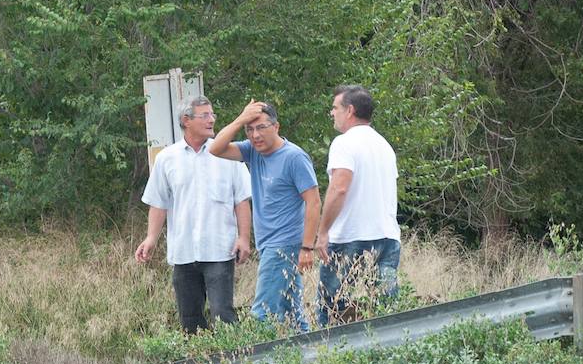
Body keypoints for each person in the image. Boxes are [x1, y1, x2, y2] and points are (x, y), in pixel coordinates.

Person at [136, 96, 252, 334]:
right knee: (189, 319)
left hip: (220, 249)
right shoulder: (167, 158)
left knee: (223, 314)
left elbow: (241, 199)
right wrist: (151, 238)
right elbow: (158, 202)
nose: (212, 120)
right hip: (184, 252)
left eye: (212, 114)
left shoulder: (227, 154)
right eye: (205, 115)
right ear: (186, 120)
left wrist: (244, 237)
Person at [209, 100, 320, 331]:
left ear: (276, 127)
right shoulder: (252, 152)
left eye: (261, 128)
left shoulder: (294, 157)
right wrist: (241, 118)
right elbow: (215, 148)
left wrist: (307, 248)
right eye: (249, 130)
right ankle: (311, 358)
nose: (255, 135)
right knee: (292, 311)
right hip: (267, 244)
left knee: (262, 314)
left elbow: (314, 202)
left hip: (284, 245)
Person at [312, 85, 401, 327]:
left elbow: (340, 187)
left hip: (351, 236)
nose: (332, 113)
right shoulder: (384, 146)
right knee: (387, 310)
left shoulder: (344, 143)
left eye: (335, 108)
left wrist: (323, 232)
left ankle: (327, 355)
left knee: (330, 308)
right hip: (387, 236)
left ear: (349, 110)